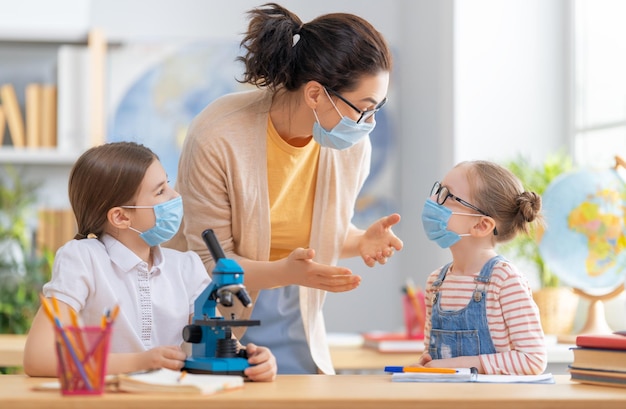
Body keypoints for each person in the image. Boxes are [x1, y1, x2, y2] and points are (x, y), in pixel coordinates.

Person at [166, 3, 403, 374]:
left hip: (296, 318)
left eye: (376, 109)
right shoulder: (218, 135)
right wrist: (288, 273)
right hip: (211, 313)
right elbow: (210, 261)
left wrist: (359, 241)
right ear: (314, 94)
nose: (368, 123)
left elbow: (301, 236)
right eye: (363, 108)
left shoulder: (352, 148)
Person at [23, 142, 277, 382]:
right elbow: (39, 358)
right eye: (160, 191)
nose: (175, 195)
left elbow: (225, 344)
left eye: (167, 184)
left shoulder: (186, 266)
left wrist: (254, 361)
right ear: (121, 216)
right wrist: (140, 361)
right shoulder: (82, 259)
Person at [418, 160, 547, 375]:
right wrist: (424, 363)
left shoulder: (504, 280)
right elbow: (433, 356)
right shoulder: (436, 282)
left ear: (481, 225)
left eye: (446, 196)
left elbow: (533, 359)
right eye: (438, 190)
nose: (432, 200)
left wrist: (456, 366)